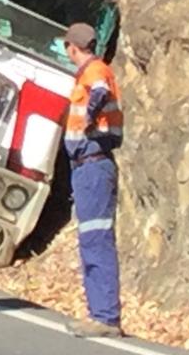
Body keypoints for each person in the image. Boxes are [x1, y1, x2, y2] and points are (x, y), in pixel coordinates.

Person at [61, 22, 124, 338]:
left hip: (94, 166)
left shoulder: (95, 71)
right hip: (88, 168)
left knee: (96, 240)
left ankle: (105, 317)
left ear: (70, 47)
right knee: (91, 240)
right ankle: (99, 313)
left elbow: (99, 91)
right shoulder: (92, 72)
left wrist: (88, 117)